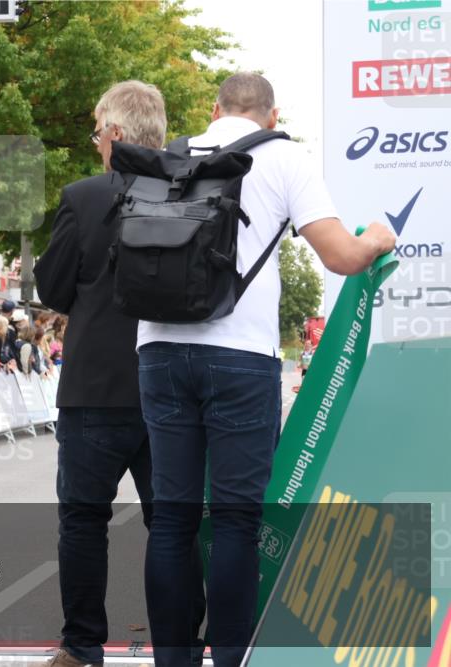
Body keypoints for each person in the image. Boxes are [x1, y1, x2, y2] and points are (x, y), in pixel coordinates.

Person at [136, 73, 395, 667]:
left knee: (171, 518)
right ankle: (231, 658)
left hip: (159, 348)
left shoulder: (172, 156)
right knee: (235, 520)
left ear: (214, 110)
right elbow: (341, 256)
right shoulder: (283, 158)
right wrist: (377, 239)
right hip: (240, 355)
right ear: (272, 116)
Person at [34, 80, 208, 667]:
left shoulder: (84, 197)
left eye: (95, 134)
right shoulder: (193, 192)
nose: (96, 144)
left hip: (95, 387)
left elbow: (53, 288)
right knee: (175, 522)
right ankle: (181, 646)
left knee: (83, 520)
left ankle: (82, 646)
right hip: (174, 388)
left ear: (113, 133)